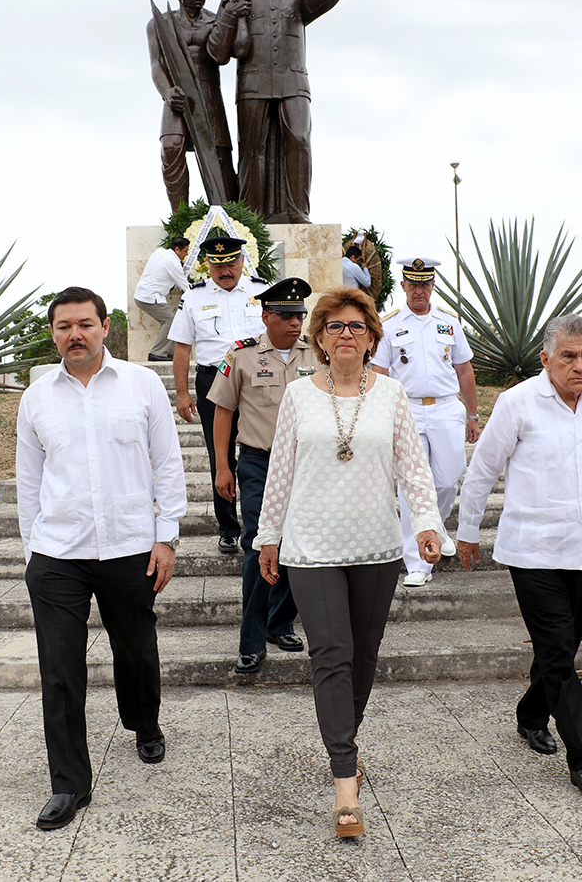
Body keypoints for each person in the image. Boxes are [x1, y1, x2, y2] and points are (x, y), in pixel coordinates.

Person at [255, 286, 443, 838]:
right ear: (318, 337)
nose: (345, 335)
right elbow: (281, 470)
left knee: (362, 657)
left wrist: (427, 522)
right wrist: (269, 536)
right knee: (331, 655)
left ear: (371, 338)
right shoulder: (296, 396)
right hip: (311, 547)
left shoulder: (391, 394)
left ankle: (345, 743)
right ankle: (344, 778)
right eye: (334, 326)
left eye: (356, 326)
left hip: (376, 546)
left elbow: (411, 464)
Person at [16, 286, 187, 830]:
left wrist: (167, 537)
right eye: (64, 326)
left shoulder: (140, 386)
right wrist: (32, 554)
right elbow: (29, 481)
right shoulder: (37, 397)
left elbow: (167, 464)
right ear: (53, 332)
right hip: (59, 553)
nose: (75, 335)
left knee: (135, 649)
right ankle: (69, 784)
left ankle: (144, 723)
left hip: (128, 546)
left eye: (84, 324)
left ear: (105, 325)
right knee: (60, 670)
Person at [456, 314, 582, 798]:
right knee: (557, 651)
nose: (580, 366)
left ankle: (531, 714)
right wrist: (468, 533)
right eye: (568, 356)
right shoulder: (517, 403)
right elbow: (483, 470)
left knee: (561, 650)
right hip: (534, 550)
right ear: (546, 357)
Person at [207, 276, 319, 675]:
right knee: (258, 545)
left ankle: (279, 622)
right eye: (287, 315)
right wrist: (223, 466)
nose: (295, 323)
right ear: (266, 315)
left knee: (297, 545)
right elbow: (223, 411)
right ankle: (251, 641)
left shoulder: (317, 355)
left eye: (300, 315)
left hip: (308, 465)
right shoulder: (242, 356)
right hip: (259, 462)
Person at [210, 0, 359, 223]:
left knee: (299, 140)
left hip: (293, 82)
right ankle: (251, 217)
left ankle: (297, 211)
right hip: (253, 83)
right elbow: (218, 51)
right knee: (252, 150)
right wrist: (230, 12)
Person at [370, 256, 480, 586]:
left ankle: (435, 524)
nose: (419, 290)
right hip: (407, 409)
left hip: (447, 408)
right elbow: (379, 373)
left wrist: (473, 415)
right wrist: (381, 416)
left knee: (448, 478)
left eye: (425, 284)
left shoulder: (450, 324)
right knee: (410, 486)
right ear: (403, 285)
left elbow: (464, 370)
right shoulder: (388, 325)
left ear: (432, 285)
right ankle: (417, 563)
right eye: (413, 284)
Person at [169, 235, 269, 553]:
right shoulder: (194, 297)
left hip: (257, 381)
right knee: (220, 457)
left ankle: (264, 524)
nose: (225, 269)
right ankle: (228, 527)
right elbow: (182, 348)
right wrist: (183, 394)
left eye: (231, 262)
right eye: (218, 264)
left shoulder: (261, 291)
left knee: (262, 451)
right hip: (213, 381)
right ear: (207, 265)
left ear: (242, 261)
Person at [147, 0, 245, 209]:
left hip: (209, 95)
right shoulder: (160, 23)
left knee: (220, 157)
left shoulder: (214, 21)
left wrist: (235, 14)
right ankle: (179, 215)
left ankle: (227, 213)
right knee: (171, 147)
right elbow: (157, 64)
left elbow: (230, 52)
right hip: (177, 97)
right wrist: (168, 93)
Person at [134, 236, 191, 362]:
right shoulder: (173, 263)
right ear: (177, 250)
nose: (186, 255)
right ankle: (157, 353)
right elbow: (185, 286)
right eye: (185, 251)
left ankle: (169, 353)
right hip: (149, 297)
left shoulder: (159, 252)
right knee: (170, 321)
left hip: (142, 295)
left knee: (171, 320)